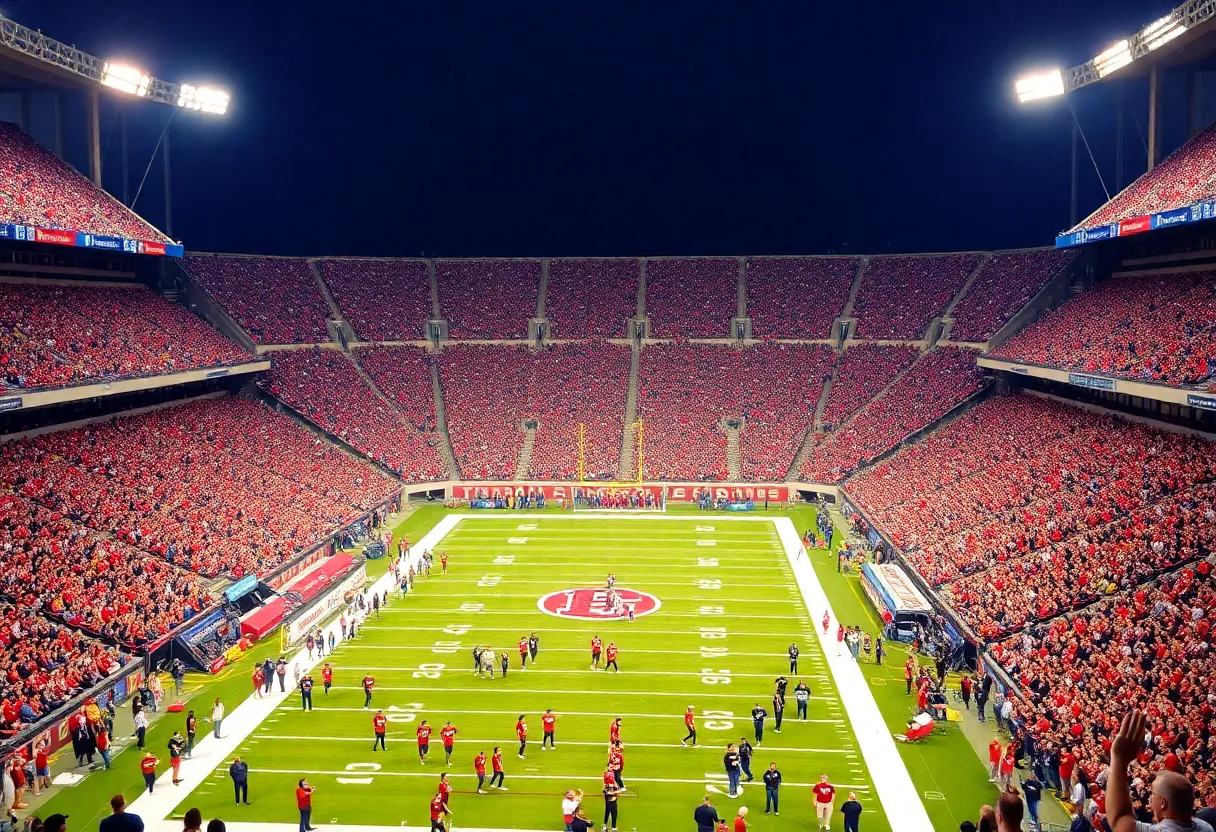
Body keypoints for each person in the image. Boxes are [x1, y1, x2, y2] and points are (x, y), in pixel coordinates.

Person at [1105, 708, 1214, 832]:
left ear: (1162, 803)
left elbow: (1119, 819)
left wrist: (1118, 758)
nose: (1150, 799)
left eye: (1153, 794)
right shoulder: (1206, 826)